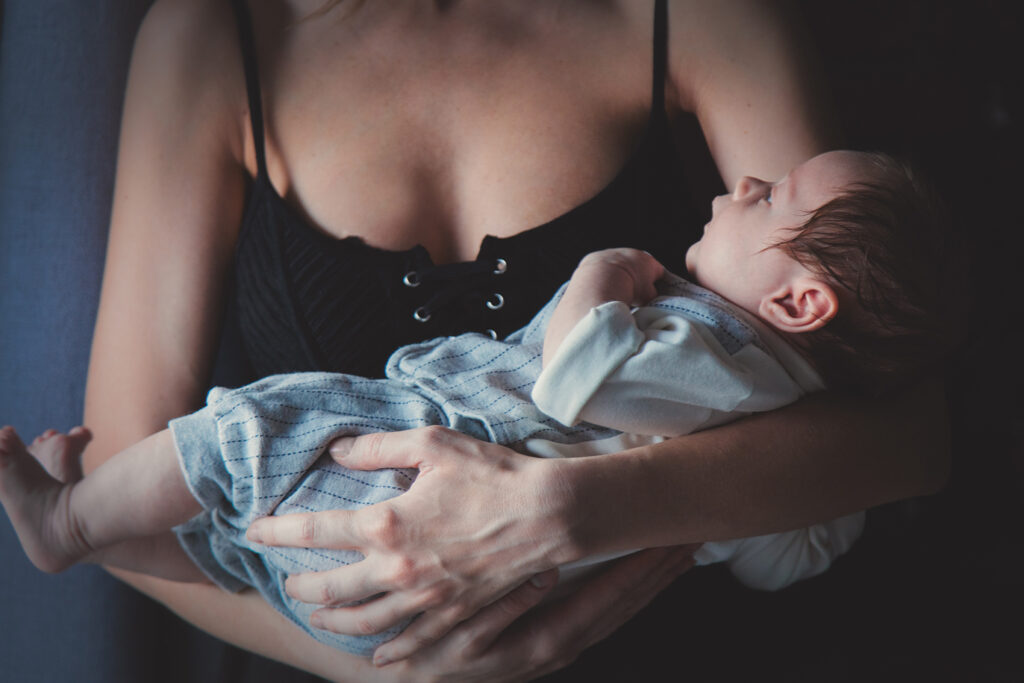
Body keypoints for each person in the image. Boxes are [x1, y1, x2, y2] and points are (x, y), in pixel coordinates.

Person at [74, 0, 952, 679]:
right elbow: (113, 491)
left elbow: (903, 430)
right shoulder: (210, 43)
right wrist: (377, 666)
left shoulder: (687, 15)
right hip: (337, 649)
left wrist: (567, 513)